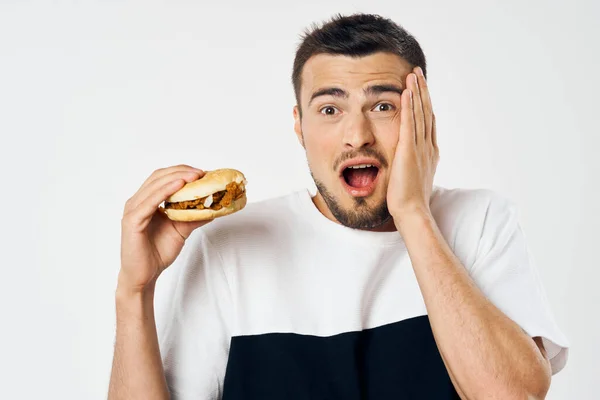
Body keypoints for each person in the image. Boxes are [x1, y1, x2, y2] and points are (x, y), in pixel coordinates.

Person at [108, 13, 569, 400]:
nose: (357, 135)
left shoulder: (481, 222)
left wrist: (412, 213)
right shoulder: (230, 247)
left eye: (384, 106)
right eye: (330, 109)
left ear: (423, 115)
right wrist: (135, 291)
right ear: (299, 126)